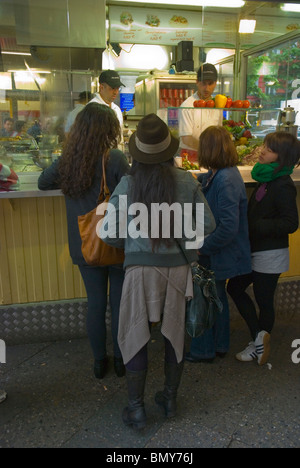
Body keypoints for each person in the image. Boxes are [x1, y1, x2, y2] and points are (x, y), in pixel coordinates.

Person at [100, 113, 216, 430]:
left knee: (136, 335)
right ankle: (170, 399)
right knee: (174, 333)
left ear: (137, 152)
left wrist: (135, 240)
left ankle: (136, 409)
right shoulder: (187, 182)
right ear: (170, 151)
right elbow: (207, 225)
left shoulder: (127, 184)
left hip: (139, 270)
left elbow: (107, 233)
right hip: (179, 270)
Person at [38, 103, 130, 379]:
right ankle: (120, 360)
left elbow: (43, 182)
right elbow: (131, 191)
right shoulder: (113, 158)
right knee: (118, 304)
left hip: (84, 244)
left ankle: (98, 361)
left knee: (95, 303)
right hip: (115, 242)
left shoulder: (69, 158)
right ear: (110, 130)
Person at [227, 131, 300, 365]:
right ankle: (259, 338)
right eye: (264, 146)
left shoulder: (283, 185)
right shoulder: (267, 179)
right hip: (256, 250)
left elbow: (291, 223)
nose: (262, 151)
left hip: (270, 253)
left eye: (269, 149)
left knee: (263, 300)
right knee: (235, 288)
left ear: (282, 156)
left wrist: (258, 225)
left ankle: (258, 345)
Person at [185, 126, 252, 364]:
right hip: (220, 252)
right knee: (217, 297)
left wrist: (203, 248)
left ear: (208, 150)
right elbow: (207, 182)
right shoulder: (222, 173)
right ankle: (220, 345)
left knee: (206, 297)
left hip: (219, 252)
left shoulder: (226, 179)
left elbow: (228, 227)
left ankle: (203, 350)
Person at [179, 63, 223, 163]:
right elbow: (187, 139)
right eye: (203, 83)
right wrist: (210, 150)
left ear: (215, 83)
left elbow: (219, 133)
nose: (206, 88)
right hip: (190, 156)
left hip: (212, 156)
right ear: (197, 82)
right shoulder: (187, 106)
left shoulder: (217, 105)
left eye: (210, 83)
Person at [88, 70, 124, 145]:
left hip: (114, 154)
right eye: (112, 88)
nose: (116, 92)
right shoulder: (92, 109)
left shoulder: (116, 109)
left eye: (117, 88)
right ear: (101, 87)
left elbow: (119, 136)